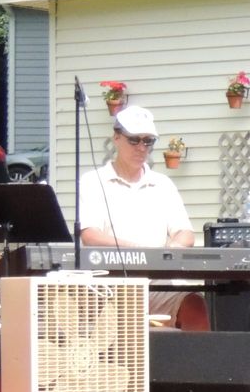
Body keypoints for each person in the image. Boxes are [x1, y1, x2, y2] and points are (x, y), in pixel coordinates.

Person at [77, 105, 210, 330]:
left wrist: (172, 248)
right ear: (116, 138)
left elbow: (185, 233)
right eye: (134, 140)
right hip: (108, 283)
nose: (141, 147)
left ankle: (200, 355)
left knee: (194, 304)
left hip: (156, 282)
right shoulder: (93, 181)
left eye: (148, 141)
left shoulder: (163, 184)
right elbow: (90, 235)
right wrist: (139, 250)